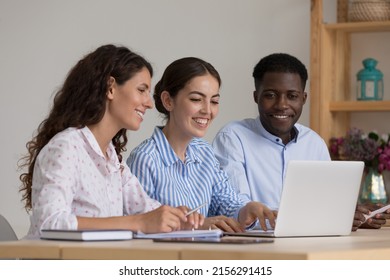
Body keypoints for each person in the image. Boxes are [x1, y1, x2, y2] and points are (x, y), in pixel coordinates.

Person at [18, 45, 202, 239]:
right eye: (141, 90)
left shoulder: (113, 160)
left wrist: (178, 218)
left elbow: (147, 211)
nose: (148, 103)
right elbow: (48, 224)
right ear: (111, 87)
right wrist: (138, 223)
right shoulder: (66, 147)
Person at [212, 52, 389, 231]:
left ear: (303, 99)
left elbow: (327, 204)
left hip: (310, 243)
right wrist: (324, 219)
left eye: (292, 96)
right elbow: (238, 212)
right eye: (271, 95)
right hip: (255, 249)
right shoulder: (232, 138)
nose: (282, 104)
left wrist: (351, 217)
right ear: (256, 96)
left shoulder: (314, 143)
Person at [127, 57, 276, 232]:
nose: (207, 110)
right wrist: (196, 226)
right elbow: (141, 225)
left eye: (214, 101)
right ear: (168, 100)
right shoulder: (144, 159)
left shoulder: (204, 151)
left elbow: (224, 200)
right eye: (197, 99)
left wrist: (245, 210)